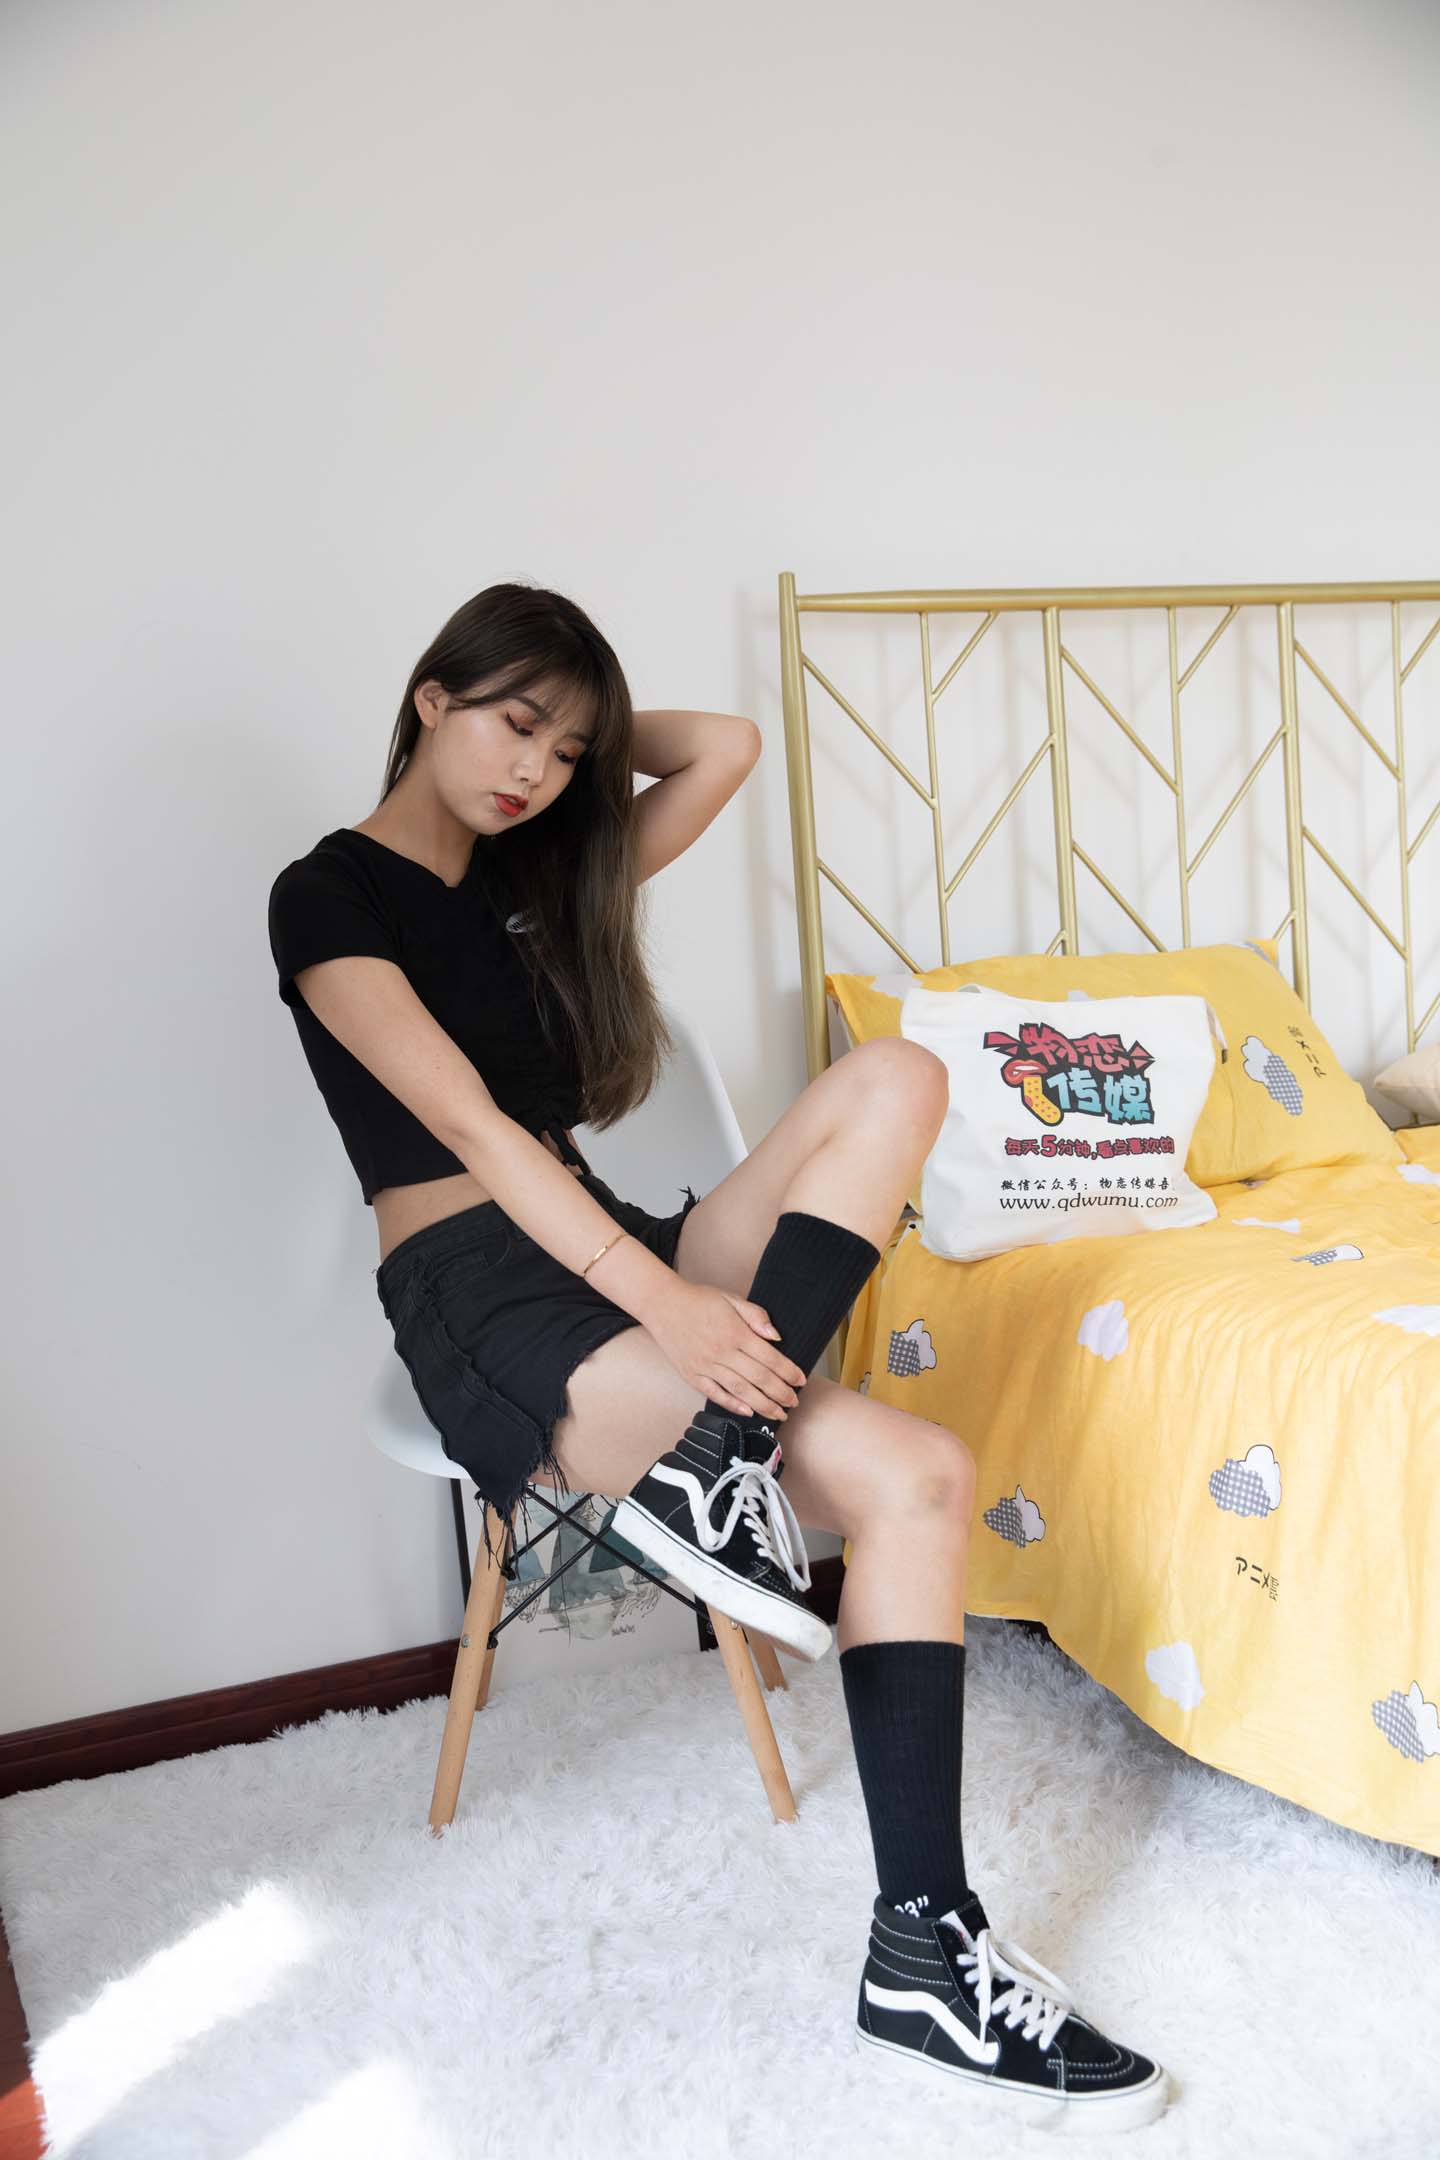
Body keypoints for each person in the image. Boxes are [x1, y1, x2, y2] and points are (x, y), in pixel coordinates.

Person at [267, 580, 1171, 2136]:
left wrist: (583, 724)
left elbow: (724, 747)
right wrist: (667, 1307)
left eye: (568, 750)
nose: (537, 770)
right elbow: (477, 1133)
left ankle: (721, 1472)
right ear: (430, 697)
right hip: (482, 1285)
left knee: (896, 1076)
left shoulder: (534, 875)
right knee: (918, 1474)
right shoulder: (325, 894)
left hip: (604, 1233)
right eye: (513, 724)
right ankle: (924, 1944)